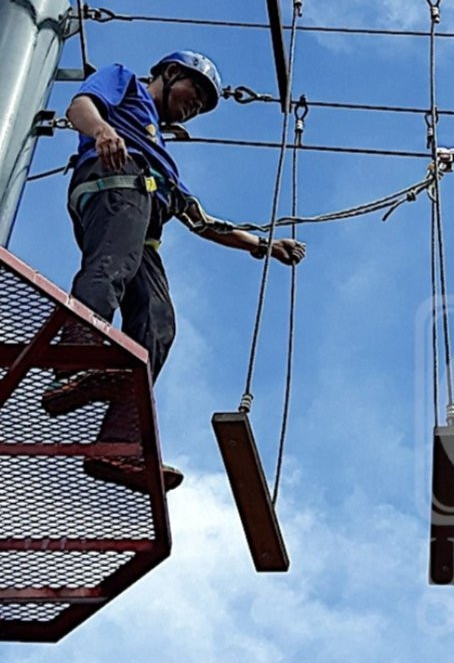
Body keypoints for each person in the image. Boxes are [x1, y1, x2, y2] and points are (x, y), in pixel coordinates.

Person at [42, 51, 306, 494]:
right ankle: (74, 360)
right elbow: (80, 106)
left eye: (202, 105)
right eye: (194, 93)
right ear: (169, 73)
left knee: (158, 325)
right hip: (114, 182)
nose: (194, 106)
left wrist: (264, 246)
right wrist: (103, 130)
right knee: (110, 267)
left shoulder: (162, 160)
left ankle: (117, 445)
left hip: (142, 214)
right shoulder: (124, 82)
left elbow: (203, 222)